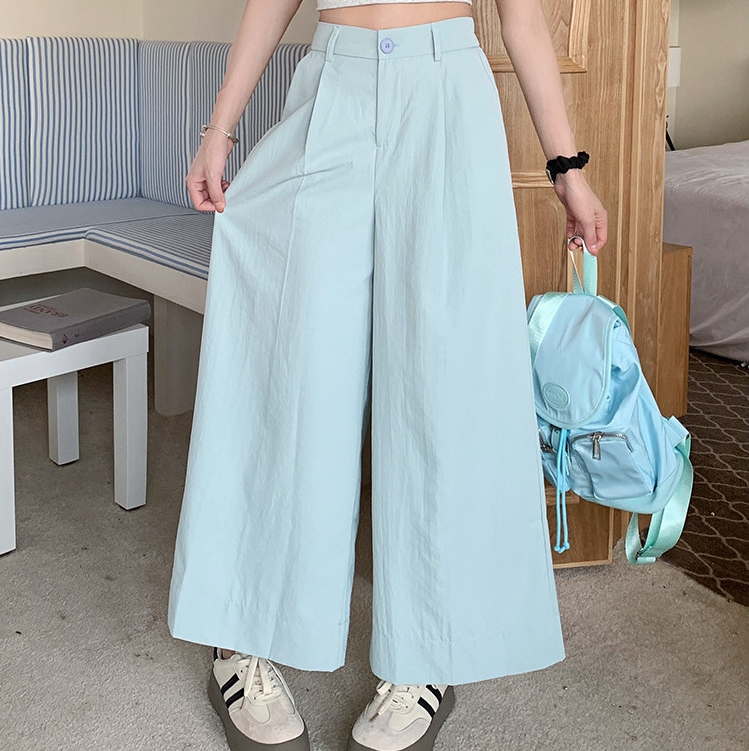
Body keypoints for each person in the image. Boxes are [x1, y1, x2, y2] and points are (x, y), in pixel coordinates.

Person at [167, 0, 608, 750]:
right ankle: (240, 631)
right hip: (330, 87)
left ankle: (427, 651)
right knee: (290, 366)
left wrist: (567, 169)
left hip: (447, 95)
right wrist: (220, 128)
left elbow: (524, 19)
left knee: (443, 384)